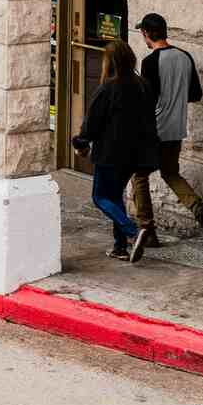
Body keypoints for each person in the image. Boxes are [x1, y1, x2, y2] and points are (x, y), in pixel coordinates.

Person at [132, 12, 203, 247]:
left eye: (143, 32)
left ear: (147, 34)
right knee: (170, 173)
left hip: (155, 129)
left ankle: (147, 230)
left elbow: (147, 100)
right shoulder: (185, 57)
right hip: (176, 128)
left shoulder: (150, 62)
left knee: (139, 176)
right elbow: (195, 94)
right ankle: (200, 210)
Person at [71, 39, 160, 263]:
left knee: (100, 196)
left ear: (109, 62)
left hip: (111, 153)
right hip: (135, 154)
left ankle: (132, 231)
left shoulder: (108, 88)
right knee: (115, 197)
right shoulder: (143, 85)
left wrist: (81, 143)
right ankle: (120, 247)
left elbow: (92, 123)